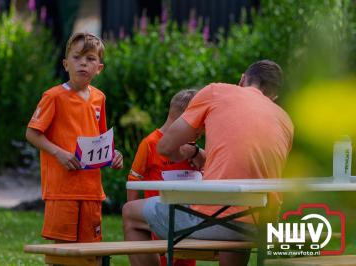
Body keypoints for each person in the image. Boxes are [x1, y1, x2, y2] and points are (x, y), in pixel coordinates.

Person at [122, 60, 294, 266]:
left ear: (242, 80)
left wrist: (185, 152)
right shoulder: (285, 120)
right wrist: (197, 153)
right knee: (237, 218)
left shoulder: (216, 91)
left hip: (216, 219)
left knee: (130, 212)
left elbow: (165, 147)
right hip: (263, 225)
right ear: (273, 96)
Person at [26, 32, 123, 244]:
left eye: (90, 59)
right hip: (62, 189)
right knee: (64, 251)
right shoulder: (53, 96)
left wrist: (113, 155)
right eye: (77, 57)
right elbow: (32, 133)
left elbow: (101, 140)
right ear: (65, 64)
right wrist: (59, 153)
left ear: (99, 68)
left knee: (91, 254)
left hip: (91, 190)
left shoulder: (99, 98)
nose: (83, 64)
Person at [127, 89, 200, 266]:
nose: (201, 131)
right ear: (184, 120)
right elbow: (134, 181)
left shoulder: (191, 148)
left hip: (185, 221)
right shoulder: (150, 143)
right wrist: (133, 213)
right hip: (157, 221)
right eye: (198, 124)